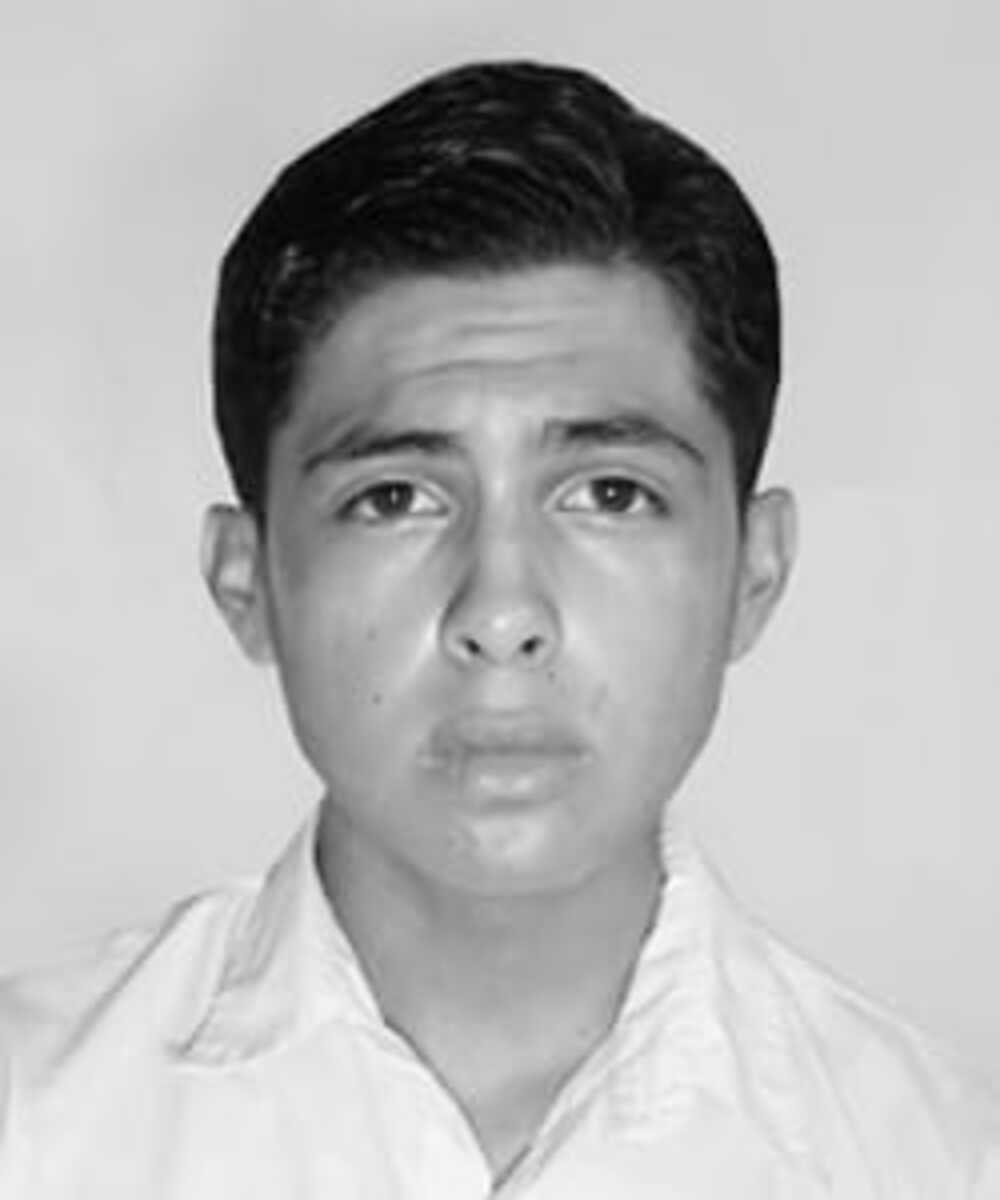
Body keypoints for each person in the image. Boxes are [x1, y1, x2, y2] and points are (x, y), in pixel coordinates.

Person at [1, 59, 997, 1199]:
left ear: (754, 571)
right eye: (395, 498)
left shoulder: (942, 1164)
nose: (503, 614)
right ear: (248, 582)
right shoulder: (31, 1125)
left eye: (610, 493)